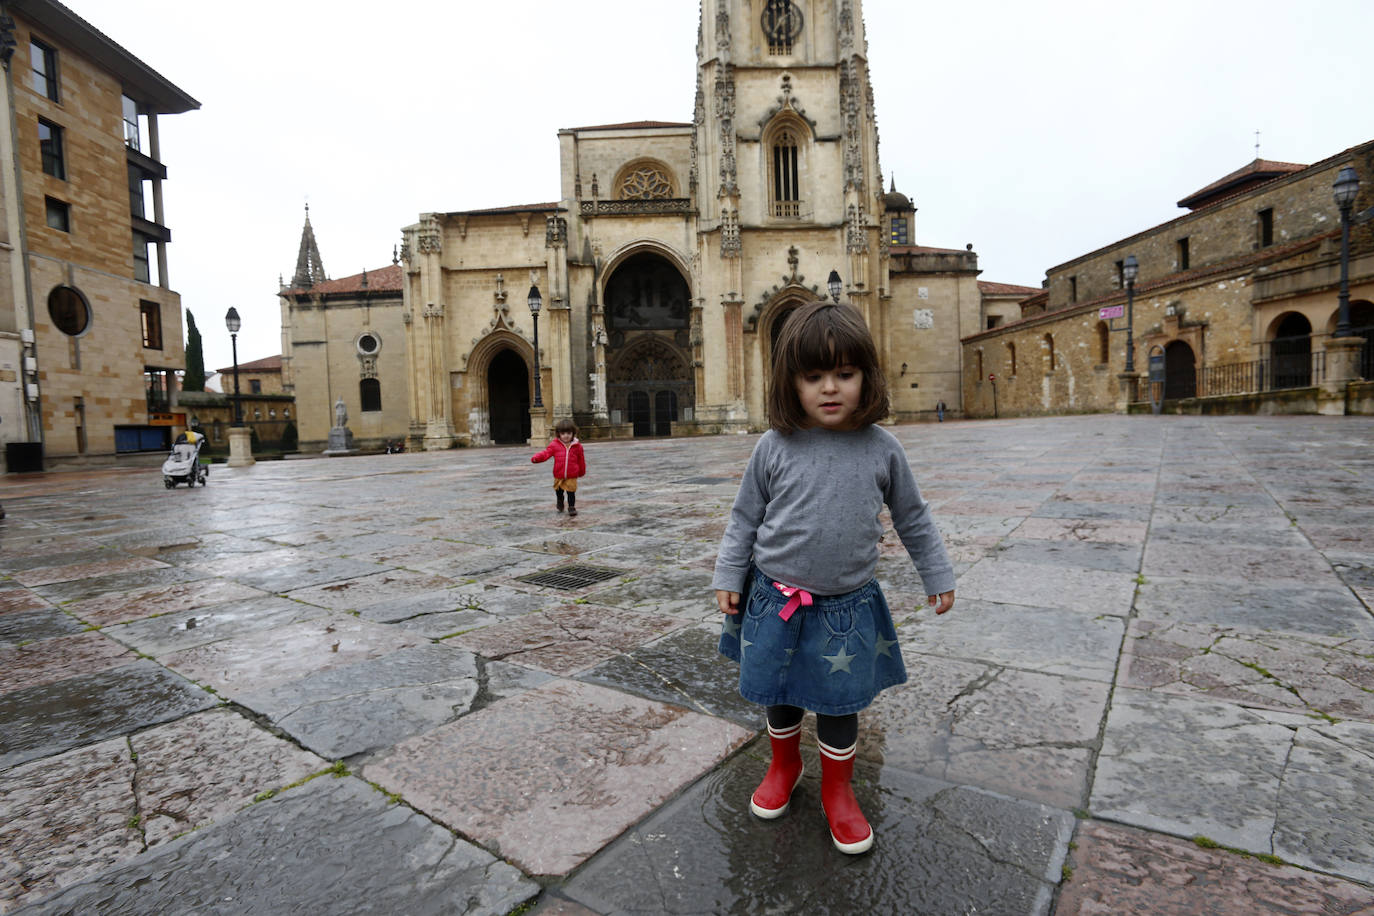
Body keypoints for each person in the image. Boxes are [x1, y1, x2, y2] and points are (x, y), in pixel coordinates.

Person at [713, 300, 956, 855]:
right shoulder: (774, 446)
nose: (830, 388)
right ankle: (784, 764)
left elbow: (913, 516)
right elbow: (745, 517)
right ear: (789, 382)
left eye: (844, 374)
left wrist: (935, 571)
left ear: (866, 377)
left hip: (846, 607)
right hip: (775, 599)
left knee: (840, 703)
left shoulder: (881, 448)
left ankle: (839, 791)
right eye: (813, 375)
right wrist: (729, 571)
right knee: (779, 693)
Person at [530, 419, 586, 517]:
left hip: (571, 474)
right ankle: (560, 501)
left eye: (569, 433)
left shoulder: (577, 446)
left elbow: (581, 460)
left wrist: (581, 471)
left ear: (573, 433)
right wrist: (537, 458)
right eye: (563, 433)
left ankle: (571, 507)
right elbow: (546, 453)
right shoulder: (554, 445)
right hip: (559, 473)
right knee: (559, 491)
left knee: (571, 492)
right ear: (558, 434)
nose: (566, 436)